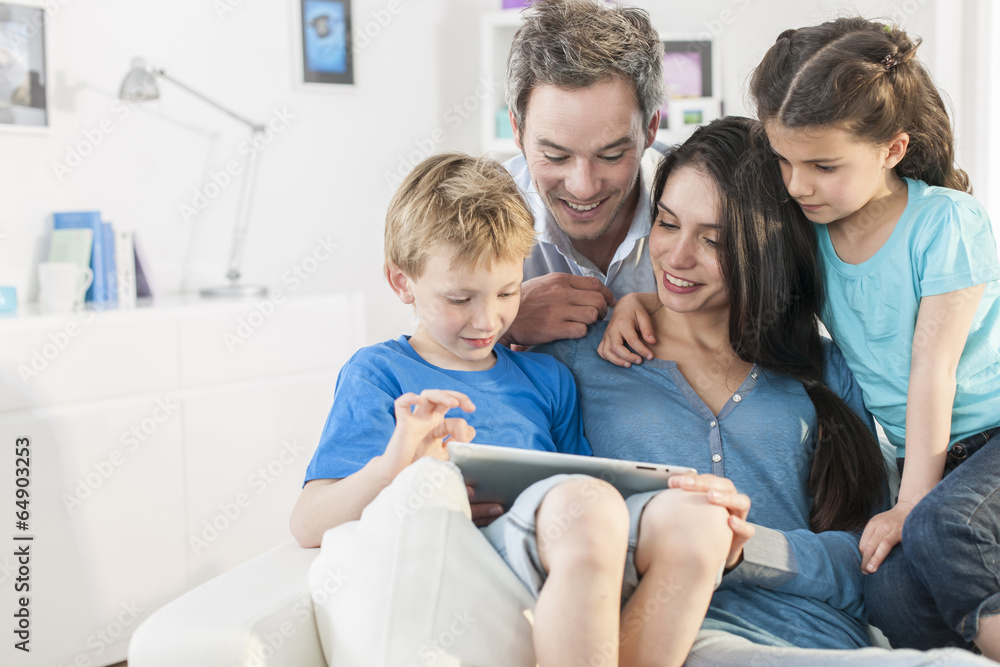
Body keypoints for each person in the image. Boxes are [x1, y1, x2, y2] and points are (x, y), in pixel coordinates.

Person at [539, 116, 992, 666]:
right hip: (685, 637)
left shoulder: (819, 367)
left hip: (831, 642)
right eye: (666, 222)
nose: (678, 257)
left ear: (763, 251)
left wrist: (744, 547)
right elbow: (554, 516)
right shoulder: (581, 359)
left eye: (713, 240)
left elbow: (869, 561)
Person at [289, 151, 748, 666]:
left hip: (563, 541)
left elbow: (589, 478)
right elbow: (308, 522)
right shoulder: (379, 373)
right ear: (402, 283)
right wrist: (394, 467)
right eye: (460, 299)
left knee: (699, 521)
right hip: (487, 549)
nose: (487, 320)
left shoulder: (546, 376)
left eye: (507, 292)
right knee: (588, 508)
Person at [745, 17, 1000, 658]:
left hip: (990, 436)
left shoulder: (946, 221)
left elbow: (932, 371)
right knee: (886, 586)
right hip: (944, 462)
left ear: (891, 150)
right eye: (784, 161)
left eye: (823, 165)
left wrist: (910, 501)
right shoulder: (810, 233)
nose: (798, 184)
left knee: (945, 529)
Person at [501, 0, 664, 347]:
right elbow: (429, 353)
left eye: (611, 155)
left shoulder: (706, 201)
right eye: (556, 156)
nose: (584, 188)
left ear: (650, 128)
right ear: (517, 131)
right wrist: (504, 318)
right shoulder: (476, 213)